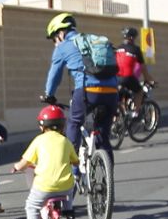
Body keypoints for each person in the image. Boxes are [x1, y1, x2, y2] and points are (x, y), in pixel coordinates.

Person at [41, 12, 118, 152]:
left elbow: (55, 75)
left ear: (61, 33)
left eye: (54, 38)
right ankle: (108, 171)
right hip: (112, 90)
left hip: (88, 90)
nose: (55, 43)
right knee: (103, 137)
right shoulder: (91, 40)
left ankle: (74, 170)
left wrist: (49, 94)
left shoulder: (63, 47)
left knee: (74, 123)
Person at [12, 104, 77, 219]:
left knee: (31, 206)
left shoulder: (38, 141)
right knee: (69, 186)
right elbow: (76, 161)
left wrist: (16, 167)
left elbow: (25, 163)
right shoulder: (65, 141)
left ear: (42, 126)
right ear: (63, 125)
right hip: (66, 186)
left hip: (45, 187)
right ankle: (68, 212)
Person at [116, 26, 152, 120]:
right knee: (139, 92)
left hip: (116, 78)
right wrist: (149, 79)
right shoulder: (135, 49)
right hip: (127, 77)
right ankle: (135, 113)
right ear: (131, 38)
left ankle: (122, 116)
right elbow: (143, 68)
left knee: (121, 95)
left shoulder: (118, 48)